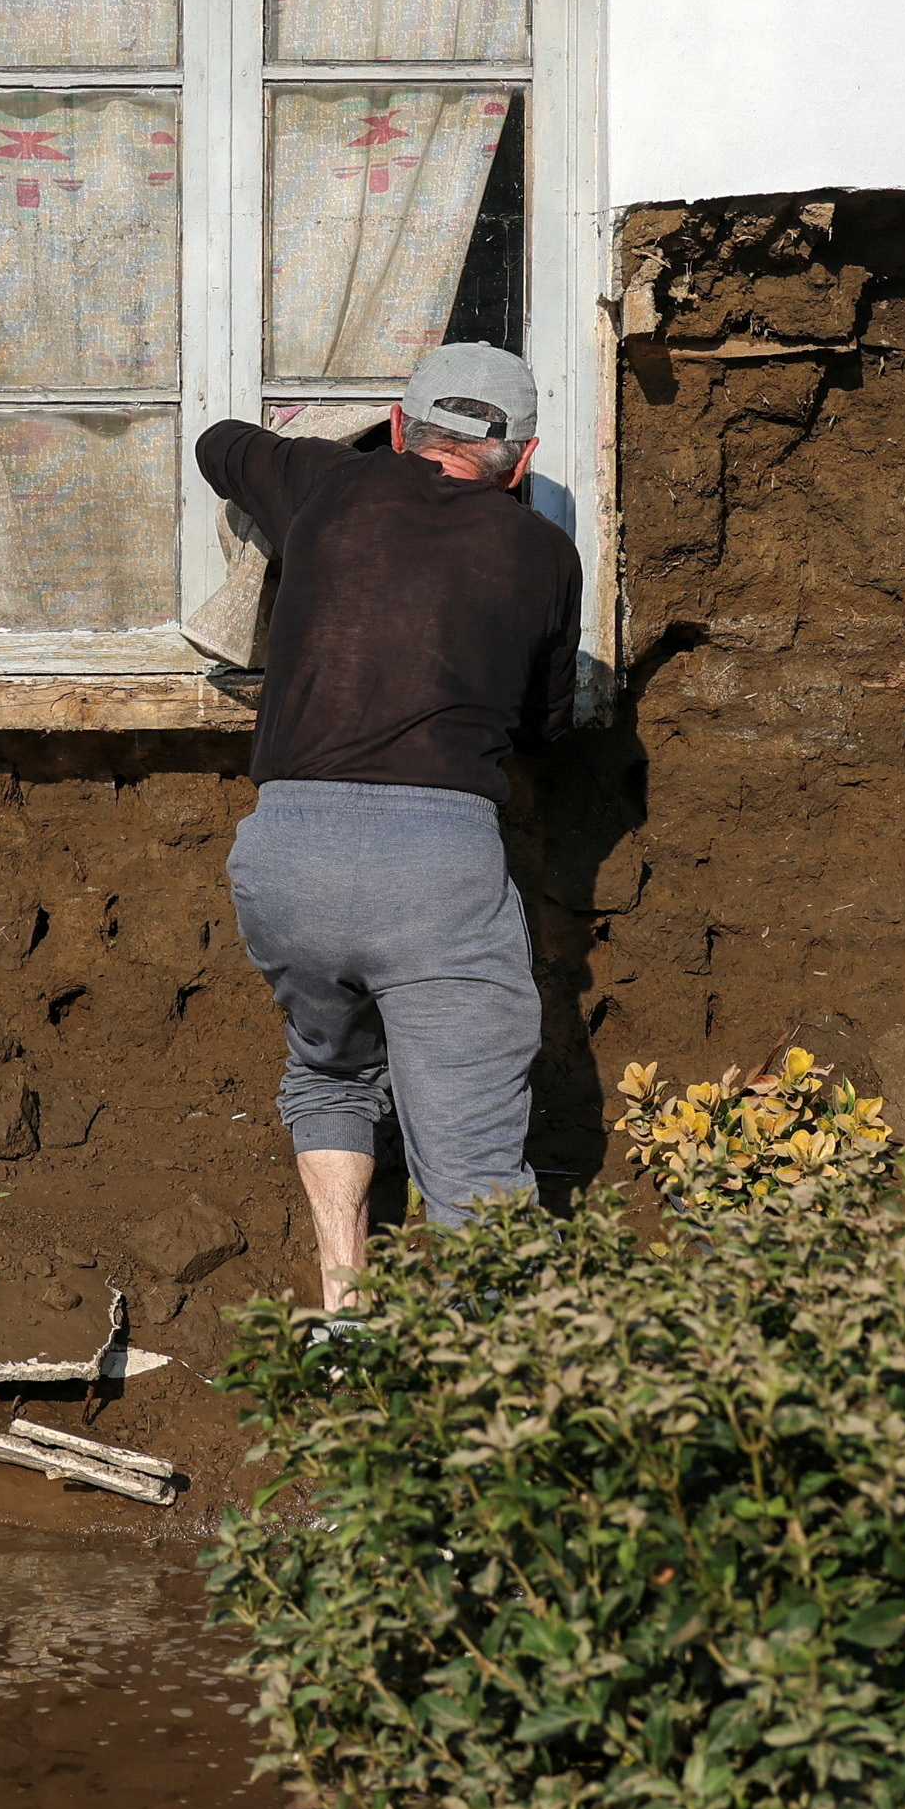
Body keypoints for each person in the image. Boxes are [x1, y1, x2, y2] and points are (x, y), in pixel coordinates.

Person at [194, 341, 586, 1310]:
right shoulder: (542, 550)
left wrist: (344, 459)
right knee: (475, 1165)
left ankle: (345, 1321)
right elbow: (543, 727)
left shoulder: (329, 486)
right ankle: (480, 1403)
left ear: (404, 430)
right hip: (434, 867)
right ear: (523, 462)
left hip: (286, 852)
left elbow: (218, 442)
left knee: (330, 1068)